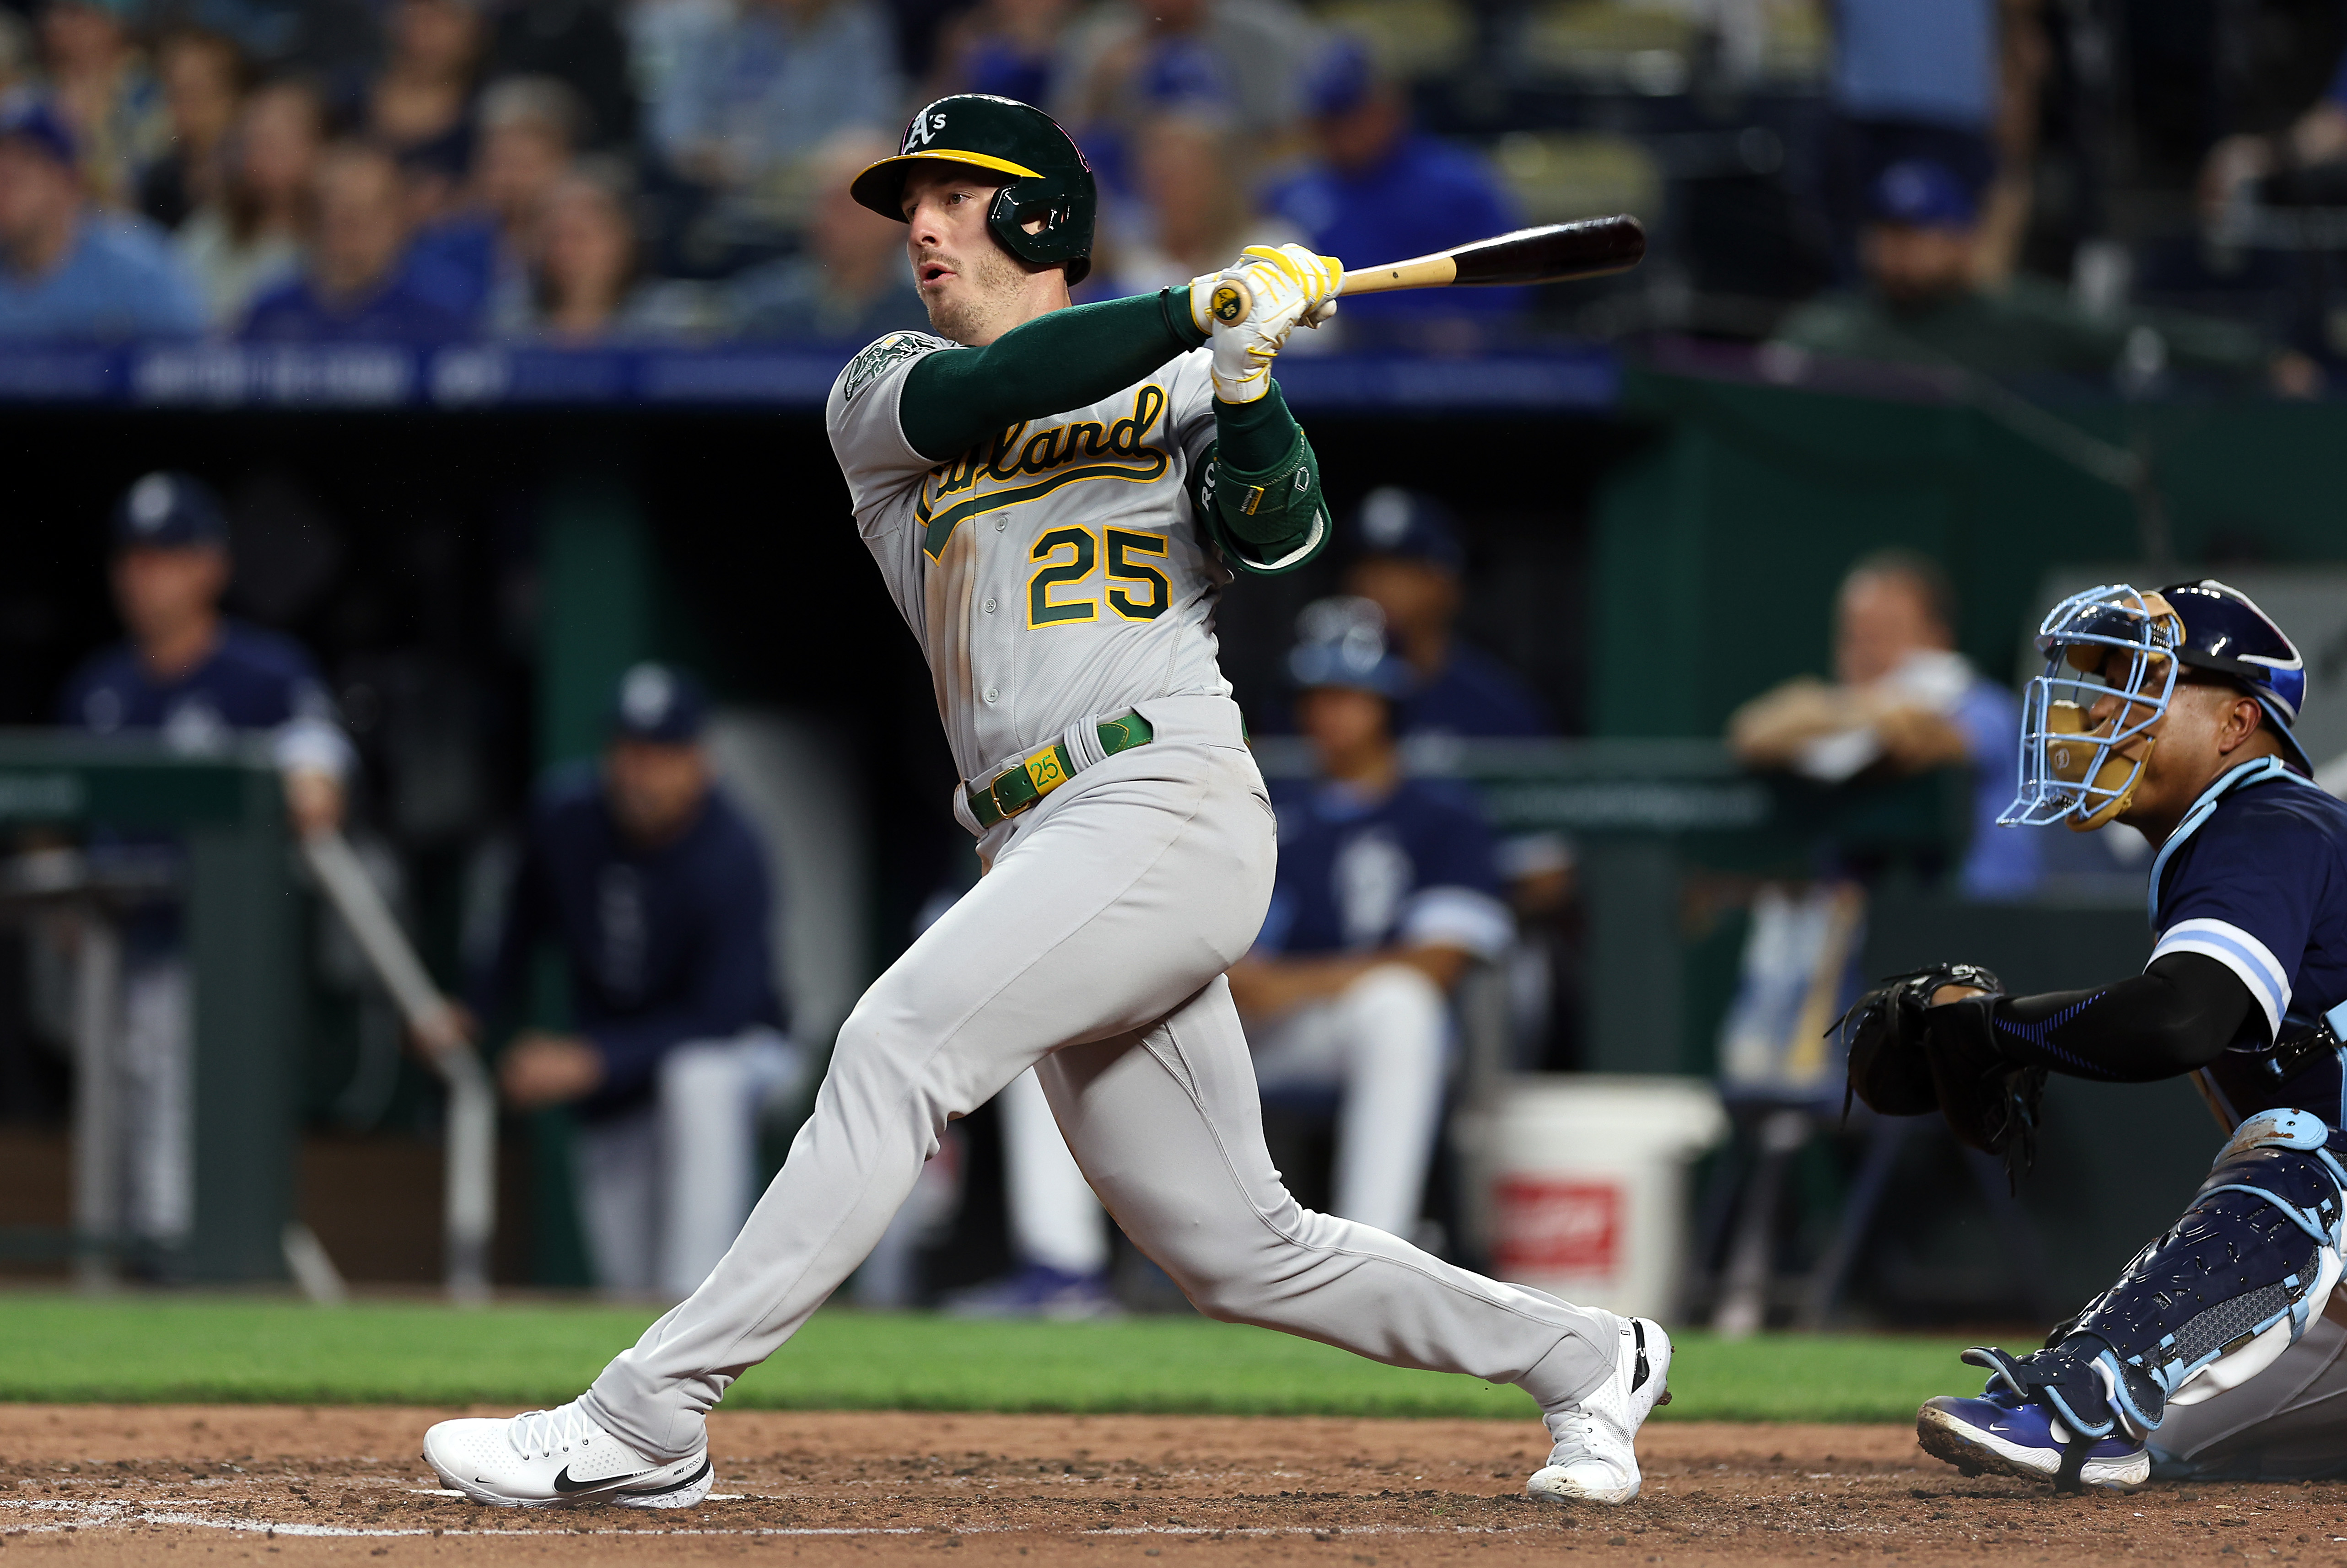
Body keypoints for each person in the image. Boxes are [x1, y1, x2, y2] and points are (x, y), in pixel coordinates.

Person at [423, 93, 1670, 1512]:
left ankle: (652, 1410)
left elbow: (1281, 533)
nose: (925, 227)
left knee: (894, 1043)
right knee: (1237, 1246)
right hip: (1033, 829)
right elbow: (991, 392)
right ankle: (1590, 1351)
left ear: (1037, 212)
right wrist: (1192, 304)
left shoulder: (1192, 376)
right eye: (912, 206)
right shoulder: (884, 388)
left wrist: (1249, 378)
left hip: (1167, 788)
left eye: (954, 195)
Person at [1845, 581, 2347, 1488]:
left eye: (2135, 682)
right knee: (2183, 1445)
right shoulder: (2239, 838)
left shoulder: (2268, 819)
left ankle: (2090, 1393)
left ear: (2236, 723)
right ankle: (2119, 1411)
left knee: (2299, 1140)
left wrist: (1993, 1030)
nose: (2096, 712)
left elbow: (2176, 1019)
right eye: (2097, 683)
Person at [57, 471, 352, 1252]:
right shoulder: (100, 687)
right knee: (117, 1137)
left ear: (211, 567)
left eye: (169, 556)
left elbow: (319, 771)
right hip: (116, 943)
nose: (148, 575)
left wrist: (311, 780)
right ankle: (138, 1280)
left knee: (175, 1132)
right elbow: (51, 815)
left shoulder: (266, 672)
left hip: (221, 950)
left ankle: (176, 1274)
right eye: (136, 557)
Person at [467, 663, 799, 1298]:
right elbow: (517, 924)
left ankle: (699, 1306)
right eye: (627, 750)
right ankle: (661, 1339)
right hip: (620, 1076)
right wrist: (473, 1007)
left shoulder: (732, 849)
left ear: (700, 761)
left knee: (697, 1078)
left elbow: (722, 1014)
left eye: (660, 755)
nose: (638, 772)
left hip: (744, 1055)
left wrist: (592, 1059)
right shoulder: (566, 817)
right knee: (626, 1291)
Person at [1227, 599, 1512, 1239]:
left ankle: (1373, 1253)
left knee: (1400, 1006)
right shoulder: (1263, 805)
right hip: (1252, 1026)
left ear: (1388, 703)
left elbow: (1437, 964)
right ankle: (1068, 1268)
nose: (1328, 711)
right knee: (1075, 1012)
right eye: (1317, 693)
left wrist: (1291, 984)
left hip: (1351, 1026)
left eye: (1350, 694)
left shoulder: (1443, 817)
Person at [1770, 156, 2315, 395]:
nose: (1896, 252)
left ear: (1962, 240)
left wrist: (2256, 356)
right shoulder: (1836, 327)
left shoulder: (2016, 317)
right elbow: (1771, 373)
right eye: (1885, 233)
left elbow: (2135, 336)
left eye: (1916, 233)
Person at [1728, 549, 2040, 899]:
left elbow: (1912, 744)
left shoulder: (1986, 707)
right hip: (1873, 936)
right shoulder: (1840, 720)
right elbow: (1751, 735)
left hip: (1982, 931)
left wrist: (1829, 717)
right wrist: (1854, 713)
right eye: (1854, 636)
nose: (1866, 652)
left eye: (1885, 633)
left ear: (1937, 640)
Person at [1260, 41, 1523, 350]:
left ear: (1389, 106)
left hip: (1440, 365)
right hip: (1327, 361)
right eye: (1330, 119)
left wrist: (1476, 329)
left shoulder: (1459, 186)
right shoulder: (1291, 194)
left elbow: (1509, 278)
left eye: (1353, 114)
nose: (1342, 132)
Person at [648, 0, 899, 210]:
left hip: (817, 199)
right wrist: (702, 151)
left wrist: (819, 166)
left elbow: (871, 122)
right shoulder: (719, 29)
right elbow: (673, 124)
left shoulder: (856, 29)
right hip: (725, 197)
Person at [1340, 487, 1546, 741]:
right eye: (1365, 566)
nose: (1371, 584)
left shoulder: (1498, 709)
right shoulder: (1318, 702)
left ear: (1446, 584)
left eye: (1399, 570)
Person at [0, 96, 206, 337]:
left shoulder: (139, 270)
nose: (4, 188)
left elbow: (194, 364)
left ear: (68, 181)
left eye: (18, 174)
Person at [240, 140, 472, 340]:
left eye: (369, 212)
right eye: (339, 212)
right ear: (314, 219)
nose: (353, 228)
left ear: (399, 220)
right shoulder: (273, 314)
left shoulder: (439, 314)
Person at [726, 130, 926, 342]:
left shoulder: (927, 311)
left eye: (846, 207)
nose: (828, 219)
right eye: (821, 204)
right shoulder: (764, 309)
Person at [172, 77, 323, 328]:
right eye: (250, 144)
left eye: (274, 144)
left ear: (317, 149)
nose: (257, 159)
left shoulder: (337, 238)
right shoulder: (208, 234)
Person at [38, 0, 166, 210]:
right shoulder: (39, 91)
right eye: (54, 11)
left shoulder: (148, 93)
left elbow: (141, 180)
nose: (55, 23)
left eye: (75, 13)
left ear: (115, 23)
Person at [137, 30, 246, 231]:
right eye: (175, 94)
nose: (184, 109)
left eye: (196, 93)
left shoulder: (253, 178)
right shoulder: (159, 181)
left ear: (233, 97)